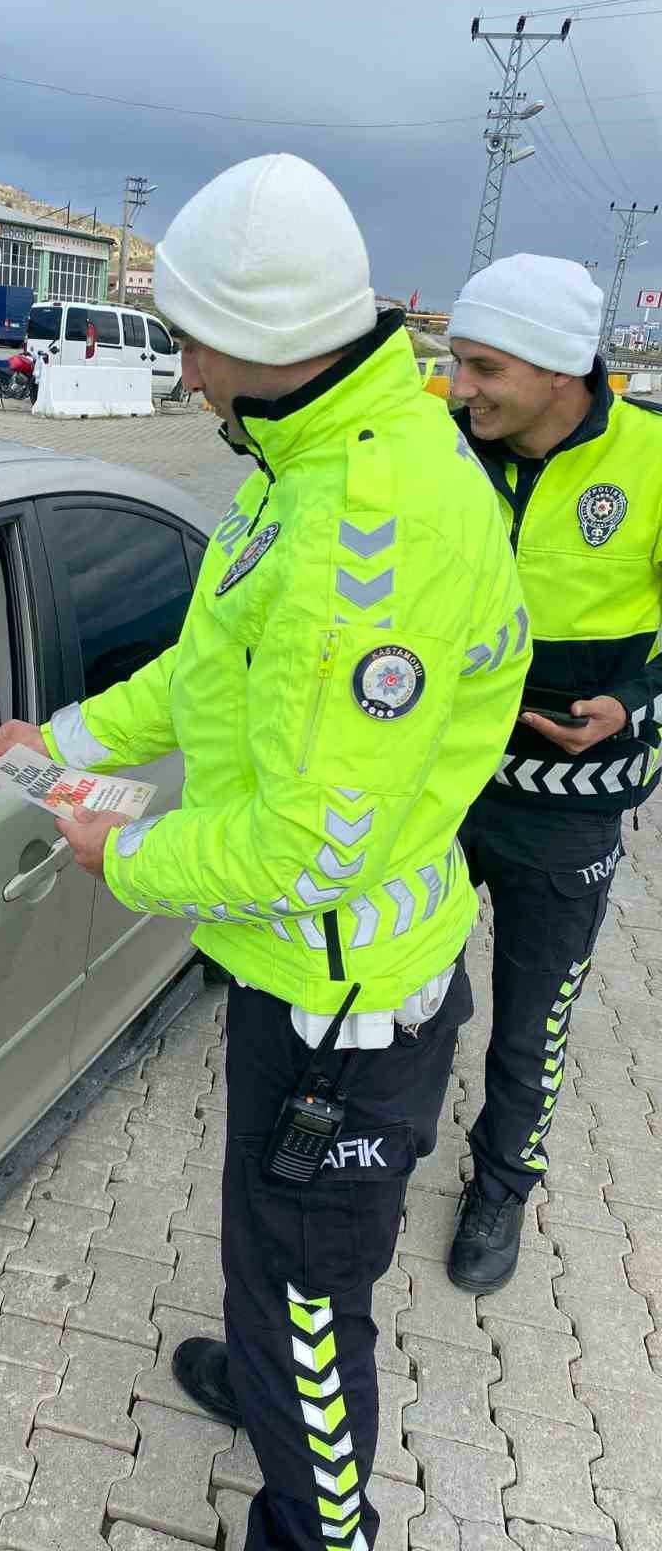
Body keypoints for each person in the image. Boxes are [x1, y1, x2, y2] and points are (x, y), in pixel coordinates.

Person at [0, 154, 530, 1551]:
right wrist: (56, 742)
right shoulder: (307, 463)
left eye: (190, 342)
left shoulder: (368, 535)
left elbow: (310, 841)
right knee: (273, 1250)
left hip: (344, 1007)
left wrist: (127, 858)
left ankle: (316, 1515)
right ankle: (268, 1370)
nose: (185, 374)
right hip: (301, 978)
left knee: (312, 1296)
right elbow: (204, 672)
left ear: (260, 338)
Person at [444, 256, 662, 1291]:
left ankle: (502, 1185)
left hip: (568, 808)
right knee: (401, 992)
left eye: (484, 367)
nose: (459, 387)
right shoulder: (442, 454)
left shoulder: (652, 459)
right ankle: (373, 1153)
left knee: (533, 1018)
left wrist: (633, 704)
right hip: (435, 785)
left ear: (563, 368)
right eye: (457, 362)